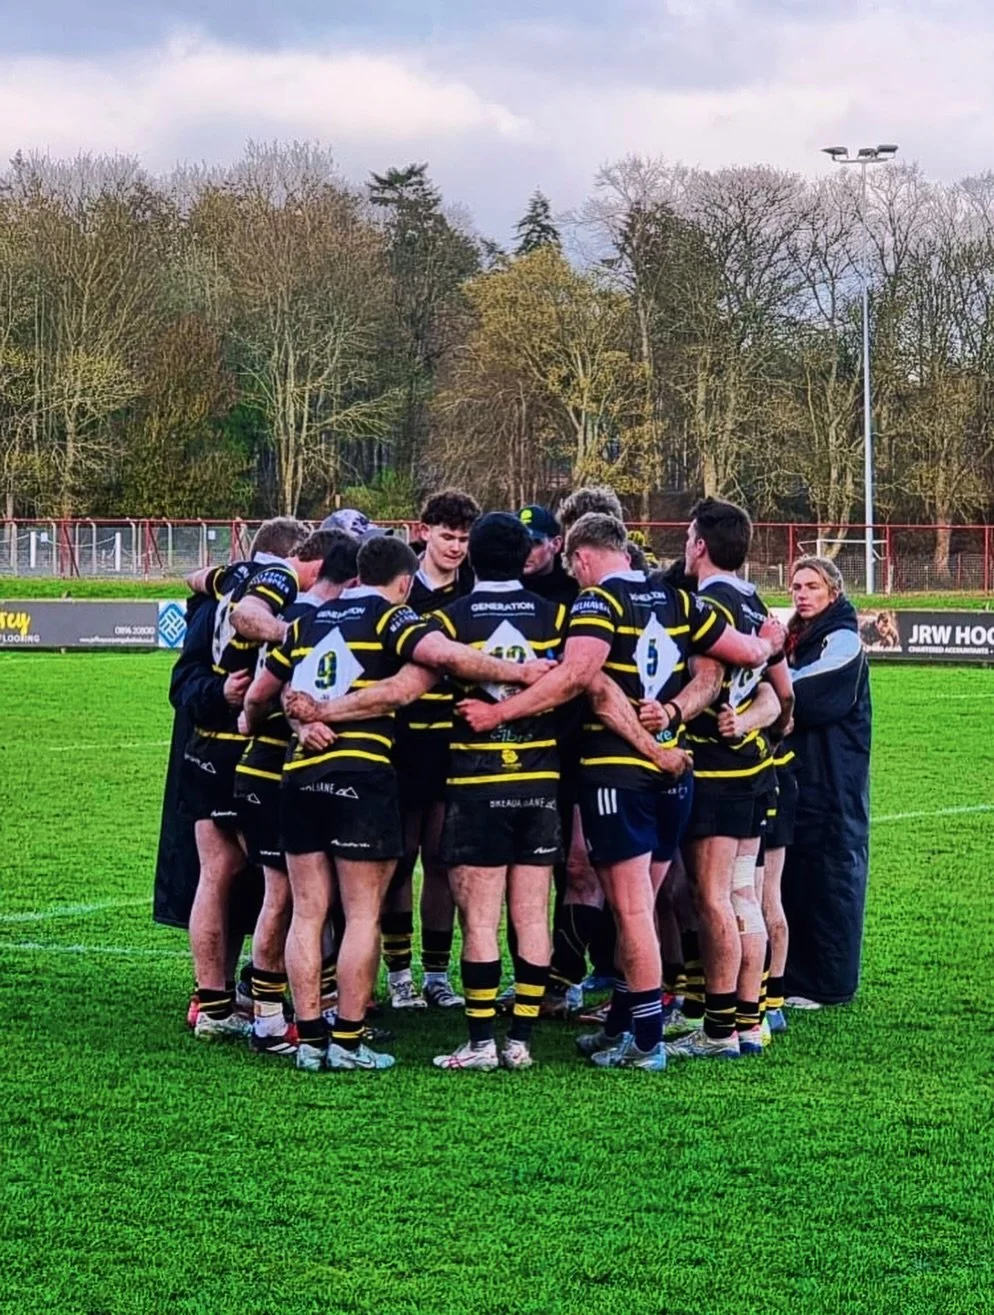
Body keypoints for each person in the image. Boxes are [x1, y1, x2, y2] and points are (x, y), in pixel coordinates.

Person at [458, 513, 784, 1071]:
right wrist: (688, 702)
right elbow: (722, 668)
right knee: (644, 902)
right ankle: (623, 1025)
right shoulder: (681, 602)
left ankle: (647, 1043)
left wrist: (499, 712)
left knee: (631, 910)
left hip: (618, 775)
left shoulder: (596, 604)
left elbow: (577, 677)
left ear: (584, 558)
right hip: (674, 776)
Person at [252, 536, 554, 1073]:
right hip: (361, 777)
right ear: (404, 581)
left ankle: (308, 1040)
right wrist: (519, 672)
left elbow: (259, 695)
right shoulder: (393, 619)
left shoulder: (304, 622)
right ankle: (347, 1042)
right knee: (364, 913)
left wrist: (301, 719)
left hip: (298, 777)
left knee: (308, 910)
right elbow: (435, 663)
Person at [180, 518, 316, 1040]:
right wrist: (295, 634)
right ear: (295, 554)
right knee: (281, 880)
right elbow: (247, 618)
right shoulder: (279, 578)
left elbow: (196, 578)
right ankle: (268, 1010)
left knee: (215, 872)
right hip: (247, 746)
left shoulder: (231, 575)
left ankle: (211, 1004)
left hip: (206, 747)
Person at [667, 498, 785, 1061]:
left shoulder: (703, 606)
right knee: (742, 895)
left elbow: (709, 684)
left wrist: (664, 717)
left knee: (710, 896)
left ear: (699, 545)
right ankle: (748, 1021)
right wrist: (756, 721)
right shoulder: (755, 600)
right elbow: (783, 696)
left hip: (715, 774)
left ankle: (716, 1031)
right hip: (757, 773)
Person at [234, 530, 359, 1057]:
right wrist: (272, 720)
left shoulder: (313, 617)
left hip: (291, 771)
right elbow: (270, 692)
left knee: (313, 899)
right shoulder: (304, 620)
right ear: (352, 582)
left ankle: (322, 1008)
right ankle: (264, 1018)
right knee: (284, 895)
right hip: (269, 771)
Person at [385, 490, 479, 1011]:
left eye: (464, 539)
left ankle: (437, 973)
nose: (456, 547)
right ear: (422, 532)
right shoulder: (399, 591)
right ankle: (399, 974)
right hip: (401, 743)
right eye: (447, 536)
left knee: (442, 861)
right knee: (399, 860)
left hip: (453, 743)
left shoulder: (472, 591)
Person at [781, 556, 871, 1008]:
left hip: (835, 783)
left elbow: (811, 695)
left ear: (833, 593)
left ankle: (828, 984)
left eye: (812, 586)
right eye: (796, 586)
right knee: (798, 875)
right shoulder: (798, 639)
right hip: (804, 780)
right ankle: (796, 976)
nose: (802, 594)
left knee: (831, 877)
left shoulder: (843, 641)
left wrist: (768, 690)